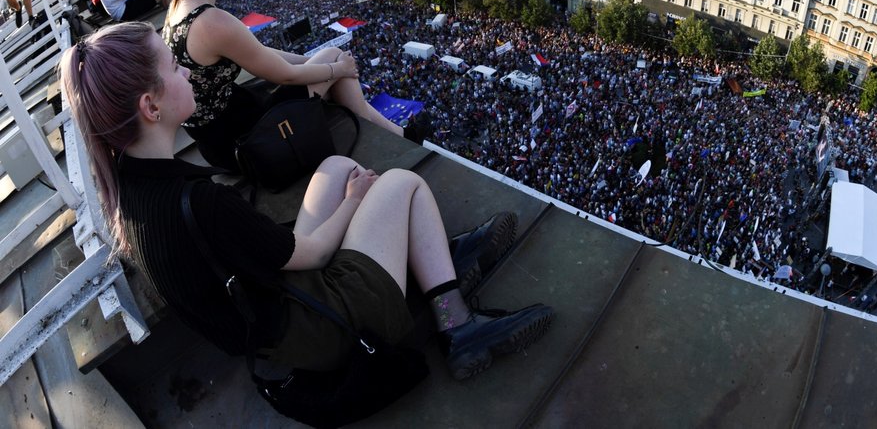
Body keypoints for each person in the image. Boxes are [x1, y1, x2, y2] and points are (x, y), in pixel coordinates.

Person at [58, 21, 554, 387]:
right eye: (173, 67)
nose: (186, 72)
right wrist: (357, 201)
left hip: (271, 310)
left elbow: (261, 256)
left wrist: (347, 195)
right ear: (151, 106)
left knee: (334, 170)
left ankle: (436, 266)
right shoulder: (201, 202)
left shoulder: (133, 194)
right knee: (400, 184)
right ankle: (457, 324)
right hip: (318, 327)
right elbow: (312, 255)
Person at [161, 0, 427, 171]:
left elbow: (258, 53)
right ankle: (399, 139)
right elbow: (285, 75)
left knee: (329, 63)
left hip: (223, 137)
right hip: (247, 142)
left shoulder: (179, 7)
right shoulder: (210, 21)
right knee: (336, 59)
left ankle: (401, 136)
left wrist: (316, 63)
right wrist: (337, 67)